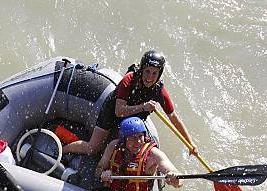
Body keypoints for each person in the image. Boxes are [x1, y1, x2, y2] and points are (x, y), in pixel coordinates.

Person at [62, 50, 198, 158]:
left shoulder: (160, 91)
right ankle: (64, 150)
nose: (149, 77)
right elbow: (118, 111)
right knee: (93, 148)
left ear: (159, 74)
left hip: (132, 119)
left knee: (135, 151)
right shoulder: (129, 80)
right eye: (147, 71)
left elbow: (174, 118)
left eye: (154, 73)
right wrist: (143, 107)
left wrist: (190, 144)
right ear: (142, 70)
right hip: (111, 113)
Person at [61, 117, 183, 191]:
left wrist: (173, 177)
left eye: (140, 136)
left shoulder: (153, 154)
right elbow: (98, 170)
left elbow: (176, 178)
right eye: (133, 138)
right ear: (124, 139)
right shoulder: (113, 146)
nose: (138, 142)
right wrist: (103, 173)